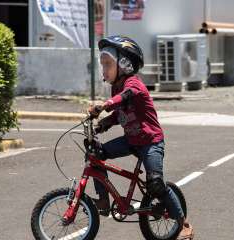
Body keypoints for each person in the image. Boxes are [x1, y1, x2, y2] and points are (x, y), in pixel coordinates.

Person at [88, 35, 194, 239]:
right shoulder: (116, 86)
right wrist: (103, 123)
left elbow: (124, 98)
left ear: (125, 64)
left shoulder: (133, 84)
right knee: (95, 154)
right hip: (132, 140)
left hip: (151, 141)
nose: (104, 70)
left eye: (108, 64)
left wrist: (105, 105)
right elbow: (120, 113)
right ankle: (102, 201)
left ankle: (183, 225)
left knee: (155, 183)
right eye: (103, 65)